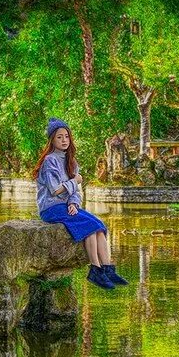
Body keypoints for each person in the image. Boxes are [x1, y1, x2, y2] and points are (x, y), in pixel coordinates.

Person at [34, 119, 126, 289]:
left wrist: (74, 203)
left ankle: (107, 270)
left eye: (66, 136)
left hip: (64, 206)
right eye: (59, 137)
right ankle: (95, 270)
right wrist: (75, 180)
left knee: (98, 226)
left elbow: (74, 193)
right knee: (89, 227)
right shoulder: (50, 161)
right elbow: (55, 190)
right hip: (50, 208)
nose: (64, 140)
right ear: (52, 140)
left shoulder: (71, 162)